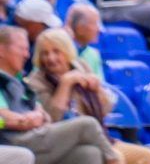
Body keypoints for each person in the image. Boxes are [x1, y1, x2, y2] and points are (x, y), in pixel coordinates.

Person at [25, 29, 150, 164]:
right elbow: (53, 118)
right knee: (116, 157)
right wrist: (65, 84)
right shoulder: (36, 81)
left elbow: (106, 109)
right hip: (67, 144)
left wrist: (98, 90)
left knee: (147, 155)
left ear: (66, 51)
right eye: (45, 53)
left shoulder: (81, 66)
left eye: (56, 51)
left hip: (99, 138)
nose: (50, 58)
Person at [0, 26, 121, 164]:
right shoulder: (33, 80)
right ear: (1, 50)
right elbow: (5, 117)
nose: (26, 55)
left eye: (56, 52)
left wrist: (97, 89)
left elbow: (41, 113)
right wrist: (23, 119)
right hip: (16, 140)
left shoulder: (19, 81)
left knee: (88, 154)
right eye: (22, 48)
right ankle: (115, 161)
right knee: (87, 124)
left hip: (38, 135)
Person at [62, 6, 102, 78]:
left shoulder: (93, 54)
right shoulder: (56, 50)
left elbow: (100, 85)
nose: (99, 30)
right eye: (94, 24)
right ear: (80, 28)